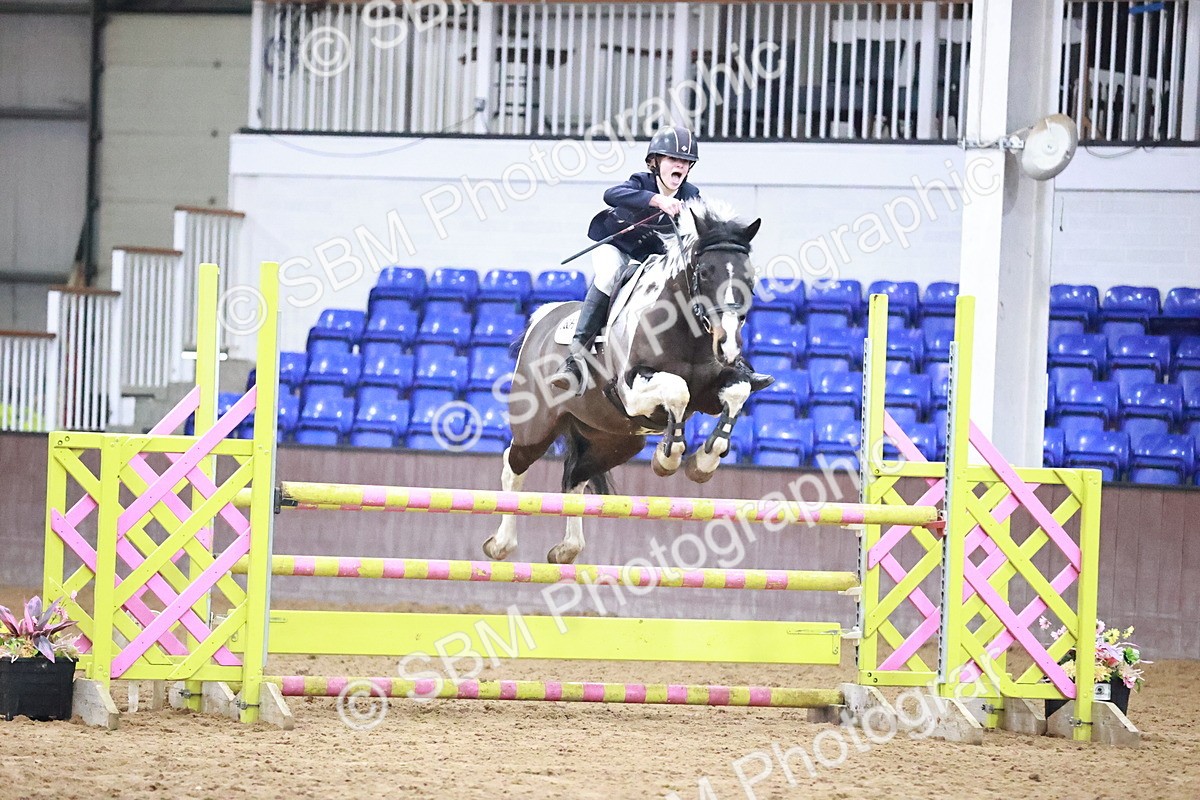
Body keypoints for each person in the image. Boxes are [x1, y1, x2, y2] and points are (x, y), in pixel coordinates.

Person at [548, 125, 771, 396]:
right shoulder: (640, 182)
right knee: (608, 275)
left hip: (655, 258)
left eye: (686, 162)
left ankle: (732, 365)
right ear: (656, 162)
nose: (680, 166)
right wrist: (656, 201)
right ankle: (576, 359)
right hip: (619, 248)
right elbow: (611, 195)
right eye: (673, 160)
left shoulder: (691, 195)